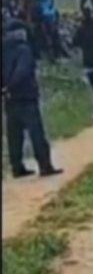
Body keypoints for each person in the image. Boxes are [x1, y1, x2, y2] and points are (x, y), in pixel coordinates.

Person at [2, 18, 63, 178]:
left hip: (9, 98)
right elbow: (23, 70)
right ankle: (45, 165)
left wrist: (5, 88)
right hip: (26, 95)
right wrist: (11, 85)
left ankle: (17, 167)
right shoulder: (24, 49)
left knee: (14, 135)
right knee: (36, 132)